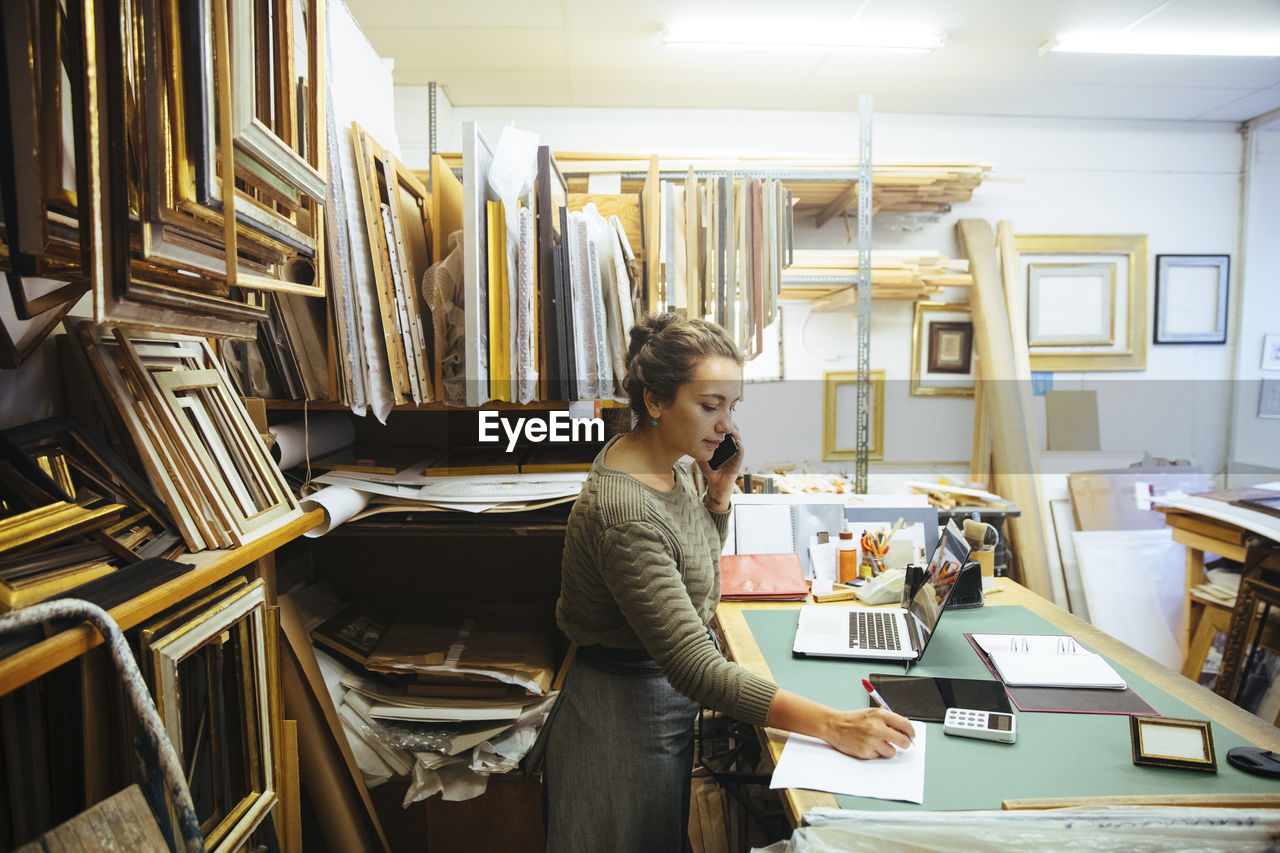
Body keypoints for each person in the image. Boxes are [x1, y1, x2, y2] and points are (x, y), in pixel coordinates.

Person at [544, 313, 914, 853]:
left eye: (731, 406)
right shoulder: (625, 512)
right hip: (619, 715)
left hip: (656, 692)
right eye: (709, 405)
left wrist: (719, 493)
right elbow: (694, 667)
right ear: (654, 401)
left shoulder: (678, 461)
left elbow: (690, 562)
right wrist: (833, 725)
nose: (723, 425)